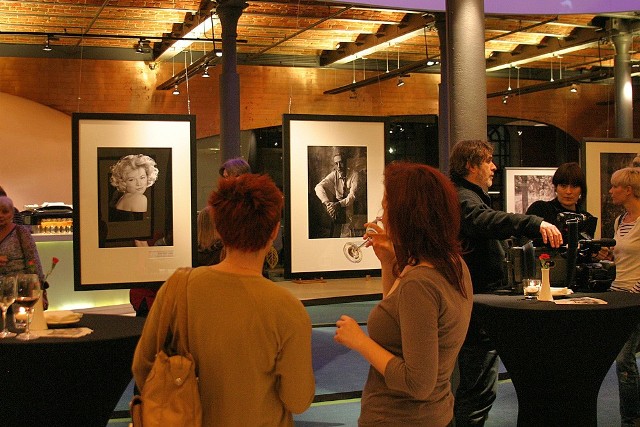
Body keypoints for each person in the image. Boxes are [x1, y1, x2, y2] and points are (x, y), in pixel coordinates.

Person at [132, 174, 315, 426]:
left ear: (217, 226)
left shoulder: (177, 288)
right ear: (274, 231)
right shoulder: (288, 309)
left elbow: (143, 367)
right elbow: (298, 400)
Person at [334, 162, 473, 427]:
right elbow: (401, 323)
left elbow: (417, 383)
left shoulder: (419, 283)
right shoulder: (453, 263)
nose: (382, 216)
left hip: (401, 417)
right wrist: (389, 263)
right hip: (436, 413)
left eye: (386, 206)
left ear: (407, 215)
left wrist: (359, 341)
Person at [449, 140, 563, 426]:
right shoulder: (463, 197)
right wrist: (533, 223)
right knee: (477, 392)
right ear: (470, 166)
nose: (493, 167)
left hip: (478, 302)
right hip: (476, 307)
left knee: (478, 390)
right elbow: (483, 220)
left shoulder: (468, 195)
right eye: (487, 161)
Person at [599, 167, 640, 426]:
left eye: (615, 186)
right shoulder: (620, 220)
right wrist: (607, 260)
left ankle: (631, 418)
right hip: (618, 294)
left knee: (624, 359)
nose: (611, 190)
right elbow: (622, 261)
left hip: (634, 297)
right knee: (621, 359)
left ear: (629, 190)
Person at [526, 162, 596, 240]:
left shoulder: (587, 219)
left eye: (574, 186)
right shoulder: (540, 209)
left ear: (581, 190)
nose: (568, 191)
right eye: (563, 186)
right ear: (556, 187)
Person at [0, 196, 47, 308]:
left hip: (20, 291)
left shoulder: (21, 232)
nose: (1, 215)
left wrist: (41, 290)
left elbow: (34, 263)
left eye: (5, 211)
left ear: (12, 213)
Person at [315, 150, 361, 237]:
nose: (339, 166)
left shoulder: (354, 174)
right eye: (336, 163)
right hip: (337, 211)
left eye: (341, 162)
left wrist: (338, 204)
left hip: (350, 209)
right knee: (335, 235)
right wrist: (327, 203)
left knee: (347, 236)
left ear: (346, 162)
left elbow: (352, 196)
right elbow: (318, 187)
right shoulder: (334, 174)